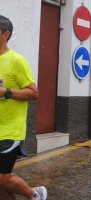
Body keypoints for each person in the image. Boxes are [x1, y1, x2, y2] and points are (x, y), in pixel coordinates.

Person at [0, 15, 47, 200]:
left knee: (2, 177)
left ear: (6, 34)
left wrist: (6, 93)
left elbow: (34, 93)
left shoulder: (16, 60)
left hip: (10, 129)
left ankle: (35, 194)